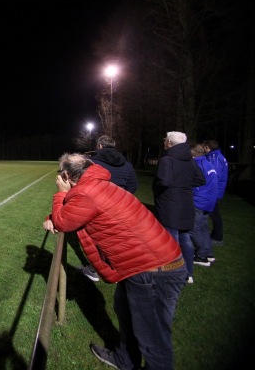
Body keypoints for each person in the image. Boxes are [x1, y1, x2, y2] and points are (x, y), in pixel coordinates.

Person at [43, 153, 187, 370]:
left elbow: (64, 221)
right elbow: (73, 215)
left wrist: (59, 197)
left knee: (153, 340)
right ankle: (125, 359)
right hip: (144, 266)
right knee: (124, 311)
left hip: (153, 269)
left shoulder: (86, 193)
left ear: (65, 175)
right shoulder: (96, 185)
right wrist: (53, 216)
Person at [80, 135, 139, 282]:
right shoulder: (126, 164)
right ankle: (116, 268)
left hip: (98, 206)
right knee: (116, 238)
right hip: (120, 207)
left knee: (96, 239)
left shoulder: (92, 163)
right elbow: (133, 186)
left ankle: (94, 270)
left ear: (100, 146)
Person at [152, 131, 205, 284]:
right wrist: (184, 186)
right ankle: (188, 273)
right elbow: (200, 179)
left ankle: (173, 273)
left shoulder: (167, 159)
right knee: (185, 238)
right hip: (185, 203)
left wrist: (160, 189)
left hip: (170, 205)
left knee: (171, 240)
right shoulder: (189, 159)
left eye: (165, 140)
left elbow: (164, 181)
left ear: (169, 143)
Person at [189, 143, 218, 269]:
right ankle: (208, 252)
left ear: (193, 153)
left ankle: (201, 256)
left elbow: (196, 183)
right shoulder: (207, 163)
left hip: (200, 201)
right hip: (210, 200)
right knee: (203, 227)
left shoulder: (197, 165)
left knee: (195, 228)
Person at [203, 140, 228, 246]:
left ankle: (217, 238)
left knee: (214, 214)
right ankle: (214, 235)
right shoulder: (216, 156)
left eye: (204, 147)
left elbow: (213, 176)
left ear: (208, 147)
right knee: (212, 213)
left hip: (213, 191)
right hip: (214, 190)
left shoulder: (215, 158)